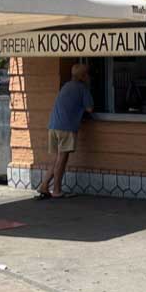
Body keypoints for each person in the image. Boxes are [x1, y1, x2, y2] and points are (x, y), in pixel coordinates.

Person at [40, 62, 94, 198]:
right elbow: (90, 108)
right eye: (87, 74)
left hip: (53, 126)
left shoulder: (66, 86)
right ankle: (56, 190)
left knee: (57, 159)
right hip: (66, 128)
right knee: (62, 160)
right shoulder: (82, 88)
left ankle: (44, 185)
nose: (89, 76)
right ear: (83, 76)